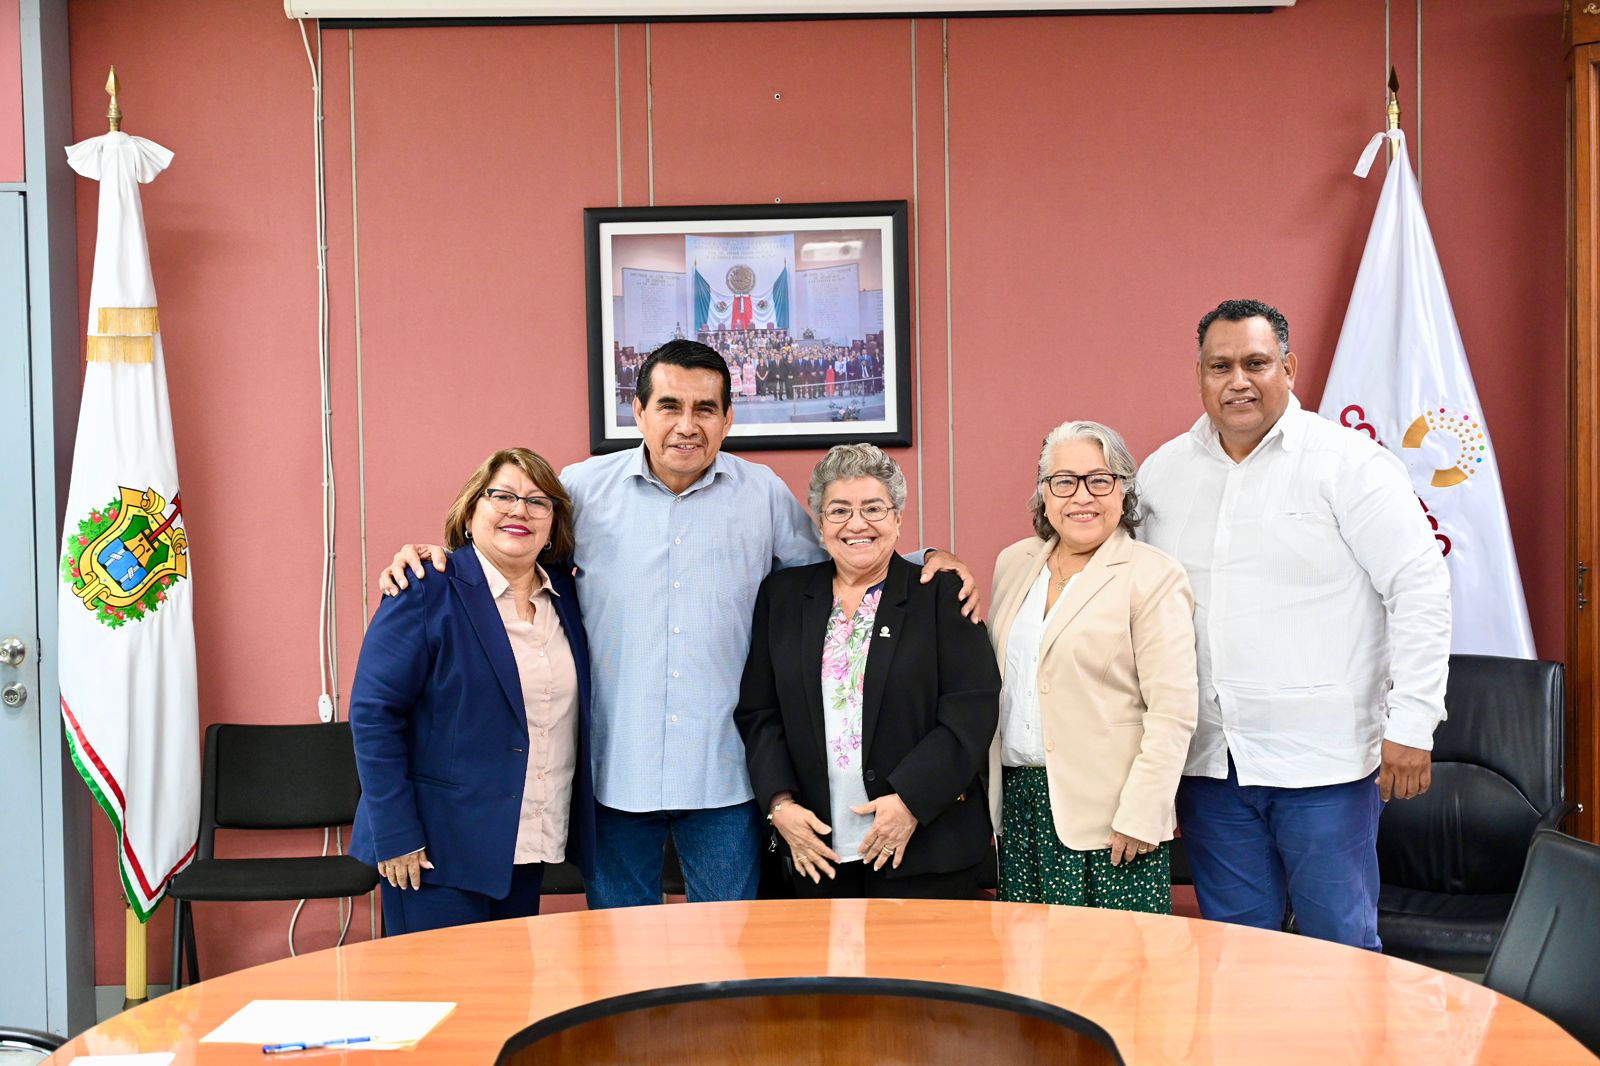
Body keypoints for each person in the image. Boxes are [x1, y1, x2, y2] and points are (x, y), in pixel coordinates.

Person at [379, 341, 983, 909]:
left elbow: (840, 560)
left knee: (729, 953)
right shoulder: (582, 489)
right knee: (622, 953)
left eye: (705, 409)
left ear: (727, 419)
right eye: (669, 406)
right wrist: (438, 557)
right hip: (614, 771)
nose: (686, 425)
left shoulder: (762, 494)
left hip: (724, 776)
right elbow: (515, 546)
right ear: (639, 412)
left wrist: (926, 561)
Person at [1139, 298, 1451, 949]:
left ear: (1289, 368)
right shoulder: (1163, 473)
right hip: (1210, 766)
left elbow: (1419, 588)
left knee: (1340, 952)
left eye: (1256, 363)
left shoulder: (1350, 463)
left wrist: (1413, 722)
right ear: (1199, 375)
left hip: (1324, 765)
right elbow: (1122, 585)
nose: (1238, 381)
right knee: (1237, 955)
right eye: (1220, 366)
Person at [736, 445, 1000, 899]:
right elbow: (761, 713)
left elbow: (971, 711)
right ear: (820, 525)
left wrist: (911, 800)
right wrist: (780, 806)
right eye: (839, 510)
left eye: (873, 508)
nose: (856, 524)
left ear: (898, 519)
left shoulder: (940, 593)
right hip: (815, 853)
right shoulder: (782, 598)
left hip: (926, 850)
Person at [348, 448, 594, 935]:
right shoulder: (426, 587)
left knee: (509, 983)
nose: (519, 510)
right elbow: (374, 715)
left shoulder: (567, 598)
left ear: (553, 524)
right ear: (470, 511)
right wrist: (395, 833)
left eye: (537, 501)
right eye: (502, 496)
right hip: (433, 852)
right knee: (437, 983)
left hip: (525, 843)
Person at [986, 421, 1198, 913]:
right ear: (1044, 494)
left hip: (1114, 822)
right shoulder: (1014, 563)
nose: (1082, 496)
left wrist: (1143, 813)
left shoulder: (1153, 575)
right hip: (1020, 809)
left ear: (1123, 490)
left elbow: (1173, 711)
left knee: (1113, 960)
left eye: (1099, 480)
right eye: (1064, 481)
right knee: (1025, 957)